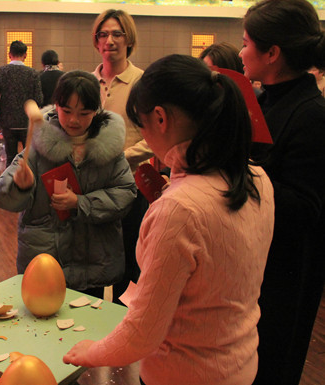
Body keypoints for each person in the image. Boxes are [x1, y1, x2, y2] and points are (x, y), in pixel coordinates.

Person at [63, 54, 275, 385]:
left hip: (184, 373)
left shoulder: (180, 209)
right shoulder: (257, 177)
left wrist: (91, 352)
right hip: (240, 362)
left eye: (142, 126)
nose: (145, 138)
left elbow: (142, 334)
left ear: (160, 118)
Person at [239, 0, 325, 385]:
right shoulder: (260, 100)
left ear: (272, 53)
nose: (241, 52)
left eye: (246, 43)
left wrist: (238, 170)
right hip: (251, 262)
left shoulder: (312, 115)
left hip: (285, 275)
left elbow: (304, 208)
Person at [0, 70, 137, 298]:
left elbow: (126, 192)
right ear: (56, 106)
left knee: (90, 317)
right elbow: (3, 196)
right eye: (66, 111)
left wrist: (80, 203)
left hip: (93, 261)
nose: (73, 120)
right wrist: (20, 186)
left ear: (96, 110)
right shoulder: (38, 147)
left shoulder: (109, 149)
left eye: (84, 113)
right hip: (47, 261)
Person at [91, 8, 153, 304]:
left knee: (129, 264)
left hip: (131, 186)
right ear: (96, 41)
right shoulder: (87, 83)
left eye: (117, 34)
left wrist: (121, 158)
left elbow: (155, 137)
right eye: (103, 34)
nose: (110, 40)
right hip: (91, 189)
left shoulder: (143, 83)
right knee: (90, 263)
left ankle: (123, 327)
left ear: (129, 40)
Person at [0, 40, 43, 165]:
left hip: (8, 122)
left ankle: (10, 177)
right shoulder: (33, 73)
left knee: (10, 158)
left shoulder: (1, 72)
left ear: (9, 55)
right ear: (25, 55)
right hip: (27, 122)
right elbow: (39, 99)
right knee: (29, 159)